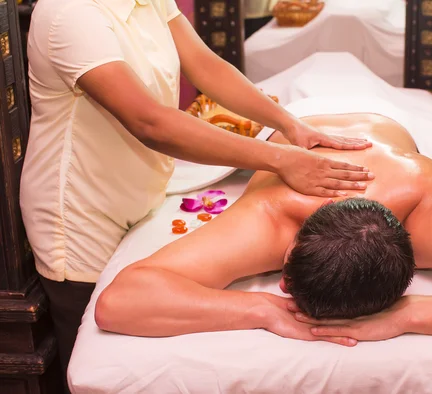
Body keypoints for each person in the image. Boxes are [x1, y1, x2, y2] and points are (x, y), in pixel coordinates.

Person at [20, 0, 372, 385]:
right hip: (79, 212)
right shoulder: (68, 13)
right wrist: (279, 158)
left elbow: (207, 67)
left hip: (140, 195)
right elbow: (149, 122)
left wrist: (289, 124)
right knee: (104, 356)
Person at [95, 112, 432, 353]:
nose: (277, 289)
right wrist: (256, 308)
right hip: (300, 122)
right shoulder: (272, 214)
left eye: (275, 289)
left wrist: (409, 317)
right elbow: (119, 303)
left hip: (386, 130)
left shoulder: (430, 203)